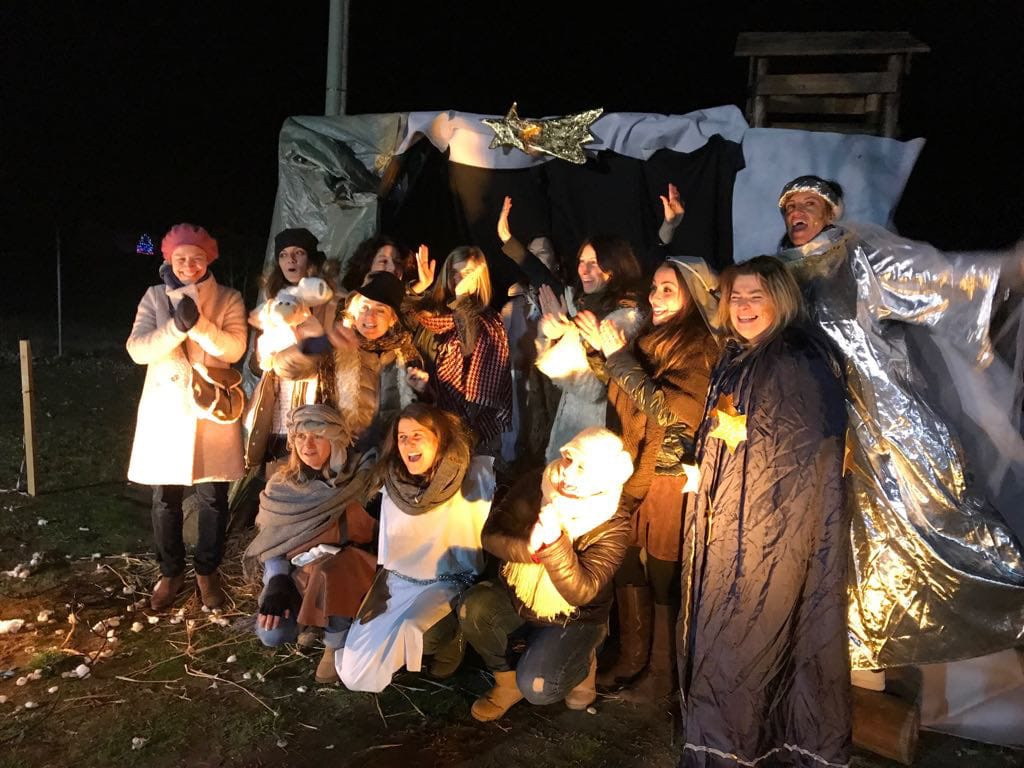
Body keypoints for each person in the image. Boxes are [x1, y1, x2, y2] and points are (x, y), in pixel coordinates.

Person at [775, 175, 1024, 670]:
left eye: (808, 203)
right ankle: (845, 646)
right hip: (811, 423)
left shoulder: (859, 259)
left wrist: (1004, 268)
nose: (796, 212)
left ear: (829, 212)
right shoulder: (778, 273)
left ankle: (988, 613)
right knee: (831, 533)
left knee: (916, 521)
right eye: (789, 206)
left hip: (882, 420)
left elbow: (935, 278)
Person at [679, 255, 850, 768]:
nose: (745, 306)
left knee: (752, 635)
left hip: (770, 534)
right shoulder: (741, 355)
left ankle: (745, 748)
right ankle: (727, 744)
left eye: (757, 296)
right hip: (734, 521)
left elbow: (803, 456)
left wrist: (762, 526)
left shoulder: (795, 358)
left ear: (782, 299)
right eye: (737, 297)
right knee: (731, 635)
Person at [596, 257, 719, 701]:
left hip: (669, 473)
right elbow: (626, 385)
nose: (656, 297)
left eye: (668, 289)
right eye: (654, 287)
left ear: (693, 293)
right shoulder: (651, 338)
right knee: (625, 555)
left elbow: (670, 410)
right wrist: (604, 355)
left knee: (664, 573)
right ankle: (632, 658)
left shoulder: (700, 346)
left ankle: (663, 673)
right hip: (633, 467)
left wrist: (618, 359)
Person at [460, 428, 633, 721]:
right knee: (473, 608)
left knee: (539, 687)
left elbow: (581, 592)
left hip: (575, 618)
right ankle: (507, 684)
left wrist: (553, 545)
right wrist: (530, 550)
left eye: (583, 468)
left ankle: (582, 664)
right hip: (519, 598)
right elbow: (490, 535)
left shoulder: (614, 524)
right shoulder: (537, 483)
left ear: (603, 479)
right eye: (569, 459)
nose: (568, 473)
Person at [127, 223, 247, 611]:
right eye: (180, 258)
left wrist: (199, 325)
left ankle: (207, 571)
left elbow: (234, 348)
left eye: (197, 258)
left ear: (209, 259)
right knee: (165, 499)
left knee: (213, 497)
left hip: (212, 412)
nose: (189, 265)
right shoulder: (154, 296)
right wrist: (176, 326)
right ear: (169, 259)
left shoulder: (228, 298)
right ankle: (171, 571)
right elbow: (138, 350)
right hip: (166, 412)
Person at [340, 404, 493, 692]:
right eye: (402, 437)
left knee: (416, 629)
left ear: (439, 439)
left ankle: (451, 639)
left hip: (447, 583)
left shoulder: (473, 477)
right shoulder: (393, 480)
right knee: (355, 674)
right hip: (397, 582)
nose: (408, 444)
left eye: (417, 435)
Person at [245, 405, 377, 683]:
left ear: (335, 440)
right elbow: (271, 542)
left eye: (317, 436)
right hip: (296, 571)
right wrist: (277, 581)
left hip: (347, 568)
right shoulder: (282, 486)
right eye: (301, 437)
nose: (308, 445)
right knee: (273, 634)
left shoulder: (359, 480)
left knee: (333, 571)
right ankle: (309, 620)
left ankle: (334, 644)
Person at [287, 270, 431, 460]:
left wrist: (422, 389)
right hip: (343, 457)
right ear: (353, 312)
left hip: (396, 456)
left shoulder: (408, 355)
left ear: (392, 319)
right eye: (364, 308)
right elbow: (288, 369)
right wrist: (322, 343)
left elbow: (424, 410)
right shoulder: (335, 347)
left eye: (380, 310)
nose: (370, 316)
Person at [535, 235, 645, 462]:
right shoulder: (585, 304)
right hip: (572, 427)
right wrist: (556, 334)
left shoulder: (624, 318)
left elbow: (593, 388)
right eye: (581, 262)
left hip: (596, 435)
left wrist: (571, 339)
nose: (583, 270)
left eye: (593, 263)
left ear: (613, 268)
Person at [244, 228, 333, 476]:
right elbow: (256, 363)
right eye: (283, 255)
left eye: (298, 253)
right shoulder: (272, 304)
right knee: (277, 477)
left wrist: (300, 337)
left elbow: (329, 351)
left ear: (310, 259)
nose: (290, 260)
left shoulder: (327, 304)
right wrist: (263, 356)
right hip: (277, 405)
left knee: (311, 476)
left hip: (312, 399)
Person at [409, 246, 512, 452]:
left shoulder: (488, 322)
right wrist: (419, 288)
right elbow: (400, 317)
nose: (459, 279)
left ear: (480, 279)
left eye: (467, 273)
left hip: (463, 426)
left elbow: (469, 347)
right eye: (454, 272)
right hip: (421, 410)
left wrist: (462, 299)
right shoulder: (431, 313)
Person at [496, 195, 566, 466]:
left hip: (558, 400)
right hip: (520, 404)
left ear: (556, 262)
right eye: (531, 254)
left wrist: (508, 240)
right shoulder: (511, 308)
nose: (535, 260)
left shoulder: (567, 300)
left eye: (542, 255)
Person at [339, 235, 414, 294]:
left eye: (398, 262)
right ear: (367, 265)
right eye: (383, 261)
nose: (393, 267)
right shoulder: (347, 302)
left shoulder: (405, 301)